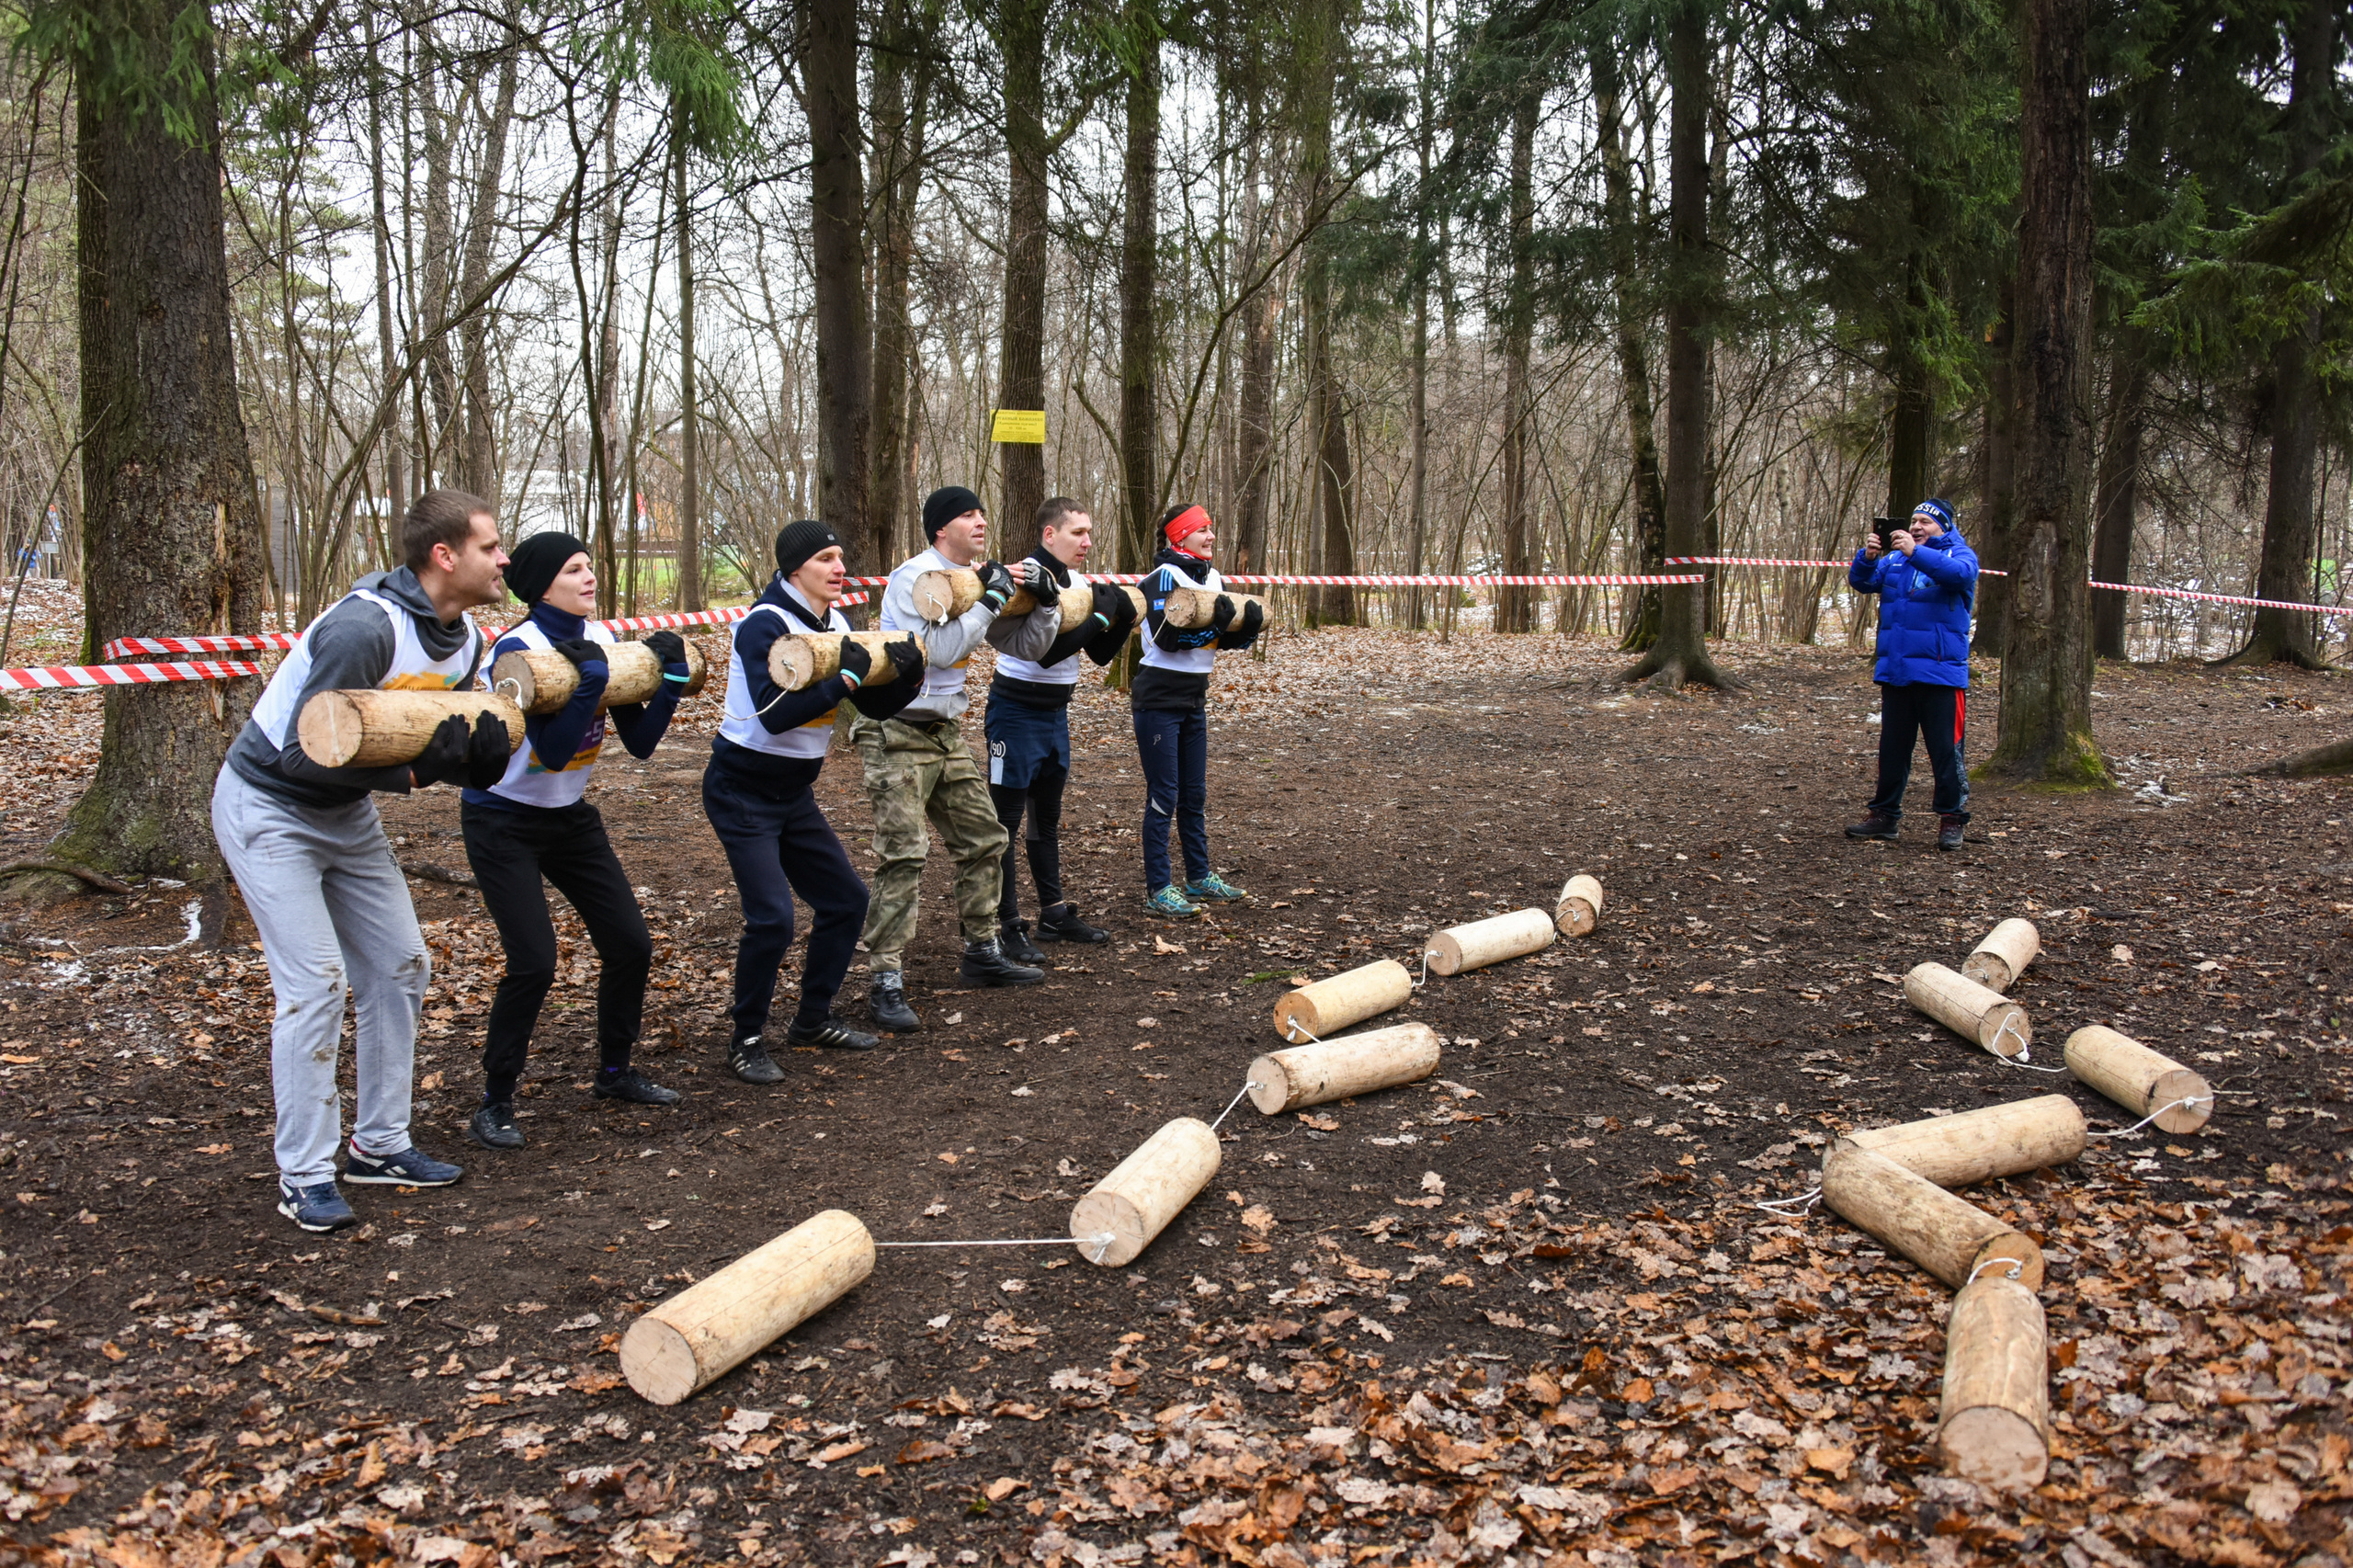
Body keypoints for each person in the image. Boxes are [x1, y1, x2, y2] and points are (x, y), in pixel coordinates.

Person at [214, 488, 511, 1233]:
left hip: (345, 815)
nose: (504, 558)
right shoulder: (362, 628)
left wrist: (469, 759)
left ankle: (379, 1145)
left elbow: (422, 734)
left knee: (401, 965)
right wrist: (417, 775)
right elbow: (298, 756)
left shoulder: (468, 640)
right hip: (269, 805)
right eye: (491, 546)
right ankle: (305, 1175)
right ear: (445, 556)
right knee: (316, 984)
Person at [457, 532, 693, 1152]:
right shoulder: (516, 651)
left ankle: (615, 1073)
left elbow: (640, 743)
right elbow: (554, 749)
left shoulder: (604, 642)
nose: (589, 577)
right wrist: (586, 684)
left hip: (569, 819)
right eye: (573, 569)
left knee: (630, 945)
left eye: (590, 565)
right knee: (534, 960)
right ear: (539, 586)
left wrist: (667, 676)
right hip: (501, 820)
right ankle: (495, 1102)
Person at [704, 520, 925, 1082]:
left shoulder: (838, 623)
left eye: (841, 556)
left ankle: (812, 1020)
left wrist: (905, 677)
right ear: (793, 568)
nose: (839, 567)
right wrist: (845, 682)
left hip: (792, 794)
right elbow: (776, 716)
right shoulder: (764, 625)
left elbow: (873, 709)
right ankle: (747, 1037)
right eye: (826, 558)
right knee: (773, 918)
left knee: (847, 901)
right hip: (740, 788)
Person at [855, 486, 1045, 1033]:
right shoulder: (914, 578)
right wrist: (989, 600)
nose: (981, 521)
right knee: (904, 854)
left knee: (986, 837)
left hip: (944, 730)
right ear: (941, 529)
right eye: (968, 514)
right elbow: (933, 651)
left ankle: (981, 950)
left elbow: (1026, 646)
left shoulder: (979, 573)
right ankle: (885, 979)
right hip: (895, 732)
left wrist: (1047, 603)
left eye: (983, 511)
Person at [983, 496, 1139, 961]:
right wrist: (1100, 618)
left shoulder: (1079, 583)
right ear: (1050, 534)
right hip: (1014, 712)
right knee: (1004, 825)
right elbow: (1044, 652)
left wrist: (1120, 619)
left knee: (1045, 820)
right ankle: (1008, 925)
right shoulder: (1026, 580)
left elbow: (1096, 653)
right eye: (1077, 533)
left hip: (1055, 715)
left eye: (1089, 533)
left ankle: (1052, 912)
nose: (1087, 541)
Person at [1133, 502, 1264, 918]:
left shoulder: (1212, 577)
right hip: (1158, 697)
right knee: (1164, 794)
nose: (1211, 536)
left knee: (1194, 793)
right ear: (1179, 536)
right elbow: (1165, 638)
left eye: (1211, 528)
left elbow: (1213, 640)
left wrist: (1243, 632)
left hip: (1194, 696)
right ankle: (1158, 888)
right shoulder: (1161, 578)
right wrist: (1213, 628)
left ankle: (1198, 876)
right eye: (1202, 529)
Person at [1846, 498, 1980, 852]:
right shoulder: (1895, 559)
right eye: (1914, 521)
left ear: (1944, 527)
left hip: (1941, 674)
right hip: (1897, 672)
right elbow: (1862, 582)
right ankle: (1884, 816)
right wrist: (1868, 557)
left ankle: (1952, 818)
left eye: (1926, 522)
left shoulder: (1958, 555)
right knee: (1892, 750)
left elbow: (1959, 577)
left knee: (1946, 752)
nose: (1917, 527)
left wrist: (1914, 552)